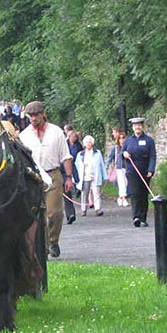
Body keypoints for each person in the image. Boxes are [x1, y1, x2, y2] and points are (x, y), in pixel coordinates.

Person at [18, 101, 74, 258]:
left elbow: (66, 156)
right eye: (31, 116)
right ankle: (42, 247)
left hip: (53, 174)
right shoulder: (24, 136)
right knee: (36, 215)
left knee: (54, 213)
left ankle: (53, 241)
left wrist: (69, 177)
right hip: (33, 176)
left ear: (43, 114)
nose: (33, 118)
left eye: (36, 115)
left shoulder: (56, 132)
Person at [122, 117, 156, 227]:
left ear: (142, 126)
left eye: (139, 125)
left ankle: (143, 218)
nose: (137, 127)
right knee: (135, 193)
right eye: (135, 125)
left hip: (145, 170)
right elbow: (122, 152)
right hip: (132, 170)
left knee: (143, 194)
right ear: (133, 127)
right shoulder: (128, 140)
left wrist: (151, 169)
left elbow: (152, 156)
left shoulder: (149, 140)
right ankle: (136, 217)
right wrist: (124, 154)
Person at [74, 135, 107, 216]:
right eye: (87, 142)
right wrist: (75, 178)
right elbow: (76, 166)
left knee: (96, 192)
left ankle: (97, 209)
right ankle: (83, 209)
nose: (88, 144)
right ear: (84, 144)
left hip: (95, 176)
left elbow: (102, 165)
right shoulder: (80, 154)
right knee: (84, 193)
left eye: (90, 142)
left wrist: (105, 176)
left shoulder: (97, 153)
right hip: (84, 176)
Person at [64, 130, 83, 224]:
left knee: (67, 192)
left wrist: (71, 177)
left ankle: (70, 214)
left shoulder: (77, 146)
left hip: (65, 169)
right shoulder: (65, 143)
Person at [106, 132, 130, 207]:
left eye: (123, 137)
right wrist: (106, 166)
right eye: (120, 138)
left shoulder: (129, 147)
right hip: (119, 168)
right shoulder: (116, 148)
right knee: (122, 183)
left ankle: (120, 198)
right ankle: (124, 199)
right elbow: (110, 157)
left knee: (126, 183)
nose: (122, 139)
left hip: (128, 167)